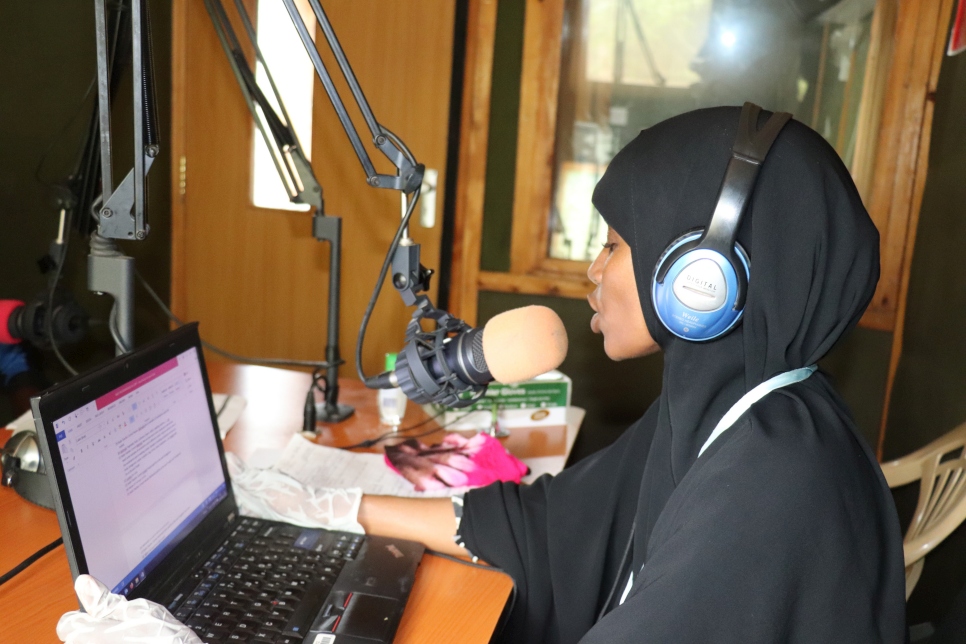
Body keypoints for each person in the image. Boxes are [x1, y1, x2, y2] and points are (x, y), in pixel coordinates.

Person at [57, 105, 907, 643]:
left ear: (702, 283)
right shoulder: (741, 410)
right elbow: (554, 529)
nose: (590, 272)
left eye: (614, 244)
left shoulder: (773, 487)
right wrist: (323, 506)